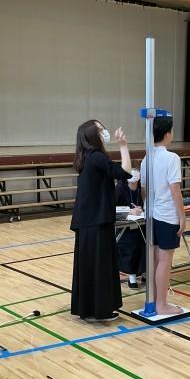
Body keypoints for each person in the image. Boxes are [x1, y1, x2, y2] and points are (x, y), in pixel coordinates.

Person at [71, 120, 132, 322]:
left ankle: (89, 309)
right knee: (99, 266)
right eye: (100, 129)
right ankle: (98, 311)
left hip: (89, 221)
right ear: (91, 135)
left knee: (90, 266)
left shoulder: (87, 158)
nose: (104, 131)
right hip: (96, 221)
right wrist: (123, 145)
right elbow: (124, 173)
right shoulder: (96, 157)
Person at [140, 116, 186, 316]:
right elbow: (175, 189)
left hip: (151, 214)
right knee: (164, 260)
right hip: (167, 214)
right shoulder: (171, 158)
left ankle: (154, 300)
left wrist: (147, 207)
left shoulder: (146, 159)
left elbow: (143, 189)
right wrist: (182, 216)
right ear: (167, 134)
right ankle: (161, 304)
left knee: (155, 259)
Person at [115, 167, 146, 289]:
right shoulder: (119, 188)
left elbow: (144, 204)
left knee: (149, 240)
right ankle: (132, 276)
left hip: (140, 224)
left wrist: (141, 209)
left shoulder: (141, 189)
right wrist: (129, 211)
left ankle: (145, 272)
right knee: (133, 242)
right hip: (125, 227)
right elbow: (113, 209)